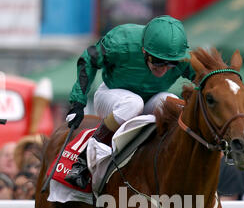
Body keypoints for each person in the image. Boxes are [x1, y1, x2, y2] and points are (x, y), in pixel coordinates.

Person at [64, 15, 195, 189]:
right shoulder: (121, 41)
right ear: (143, 51)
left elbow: (210, 82)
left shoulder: (183, 57)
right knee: (133, 103)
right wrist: (77, 103)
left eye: (171, 64)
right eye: (157, 62)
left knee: (170, 103)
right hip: (111, 95)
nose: (163, 69)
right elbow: (89, 58)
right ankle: (84, 158)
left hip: (151, 100)